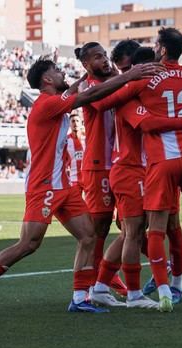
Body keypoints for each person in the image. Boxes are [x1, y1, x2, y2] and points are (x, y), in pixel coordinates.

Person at [0, 55, 162, 315]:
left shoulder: (54, 101)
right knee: (29, 244)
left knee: (89, 236)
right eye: (56, 71)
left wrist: (83, 77)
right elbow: (87, 96)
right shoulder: (46, 104)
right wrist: (129, 76)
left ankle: (79, 298)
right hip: (44, 186)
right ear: (47, 80)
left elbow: (77, 89)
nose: (61, 73)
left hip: (63, 186)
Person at [82, 28, 182, 312]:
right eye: (121, 68)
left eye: (125, 67)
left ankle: (110, 285)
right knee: (136, 231)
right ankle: (136, 291)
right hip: (139, 167)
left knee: (150, 229)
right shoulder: (175, 80)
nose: (121, 72)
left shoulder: (139, 87)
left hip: (155, 165)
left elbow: (105, 101)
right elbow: (134, 118)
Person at [75, 42, 127, 296]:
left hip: (119, 163)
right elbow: (101, 102)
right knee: (99, 230)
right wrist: (126, 76)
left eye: (105, 55)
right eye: (98, 57)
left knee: (130, 224)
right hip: (98, 166)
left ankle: (106, 279)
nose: (105, 60)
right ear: (86, 65)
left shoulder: (112, 80)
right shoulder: (89, 87)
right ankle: (94, 286)